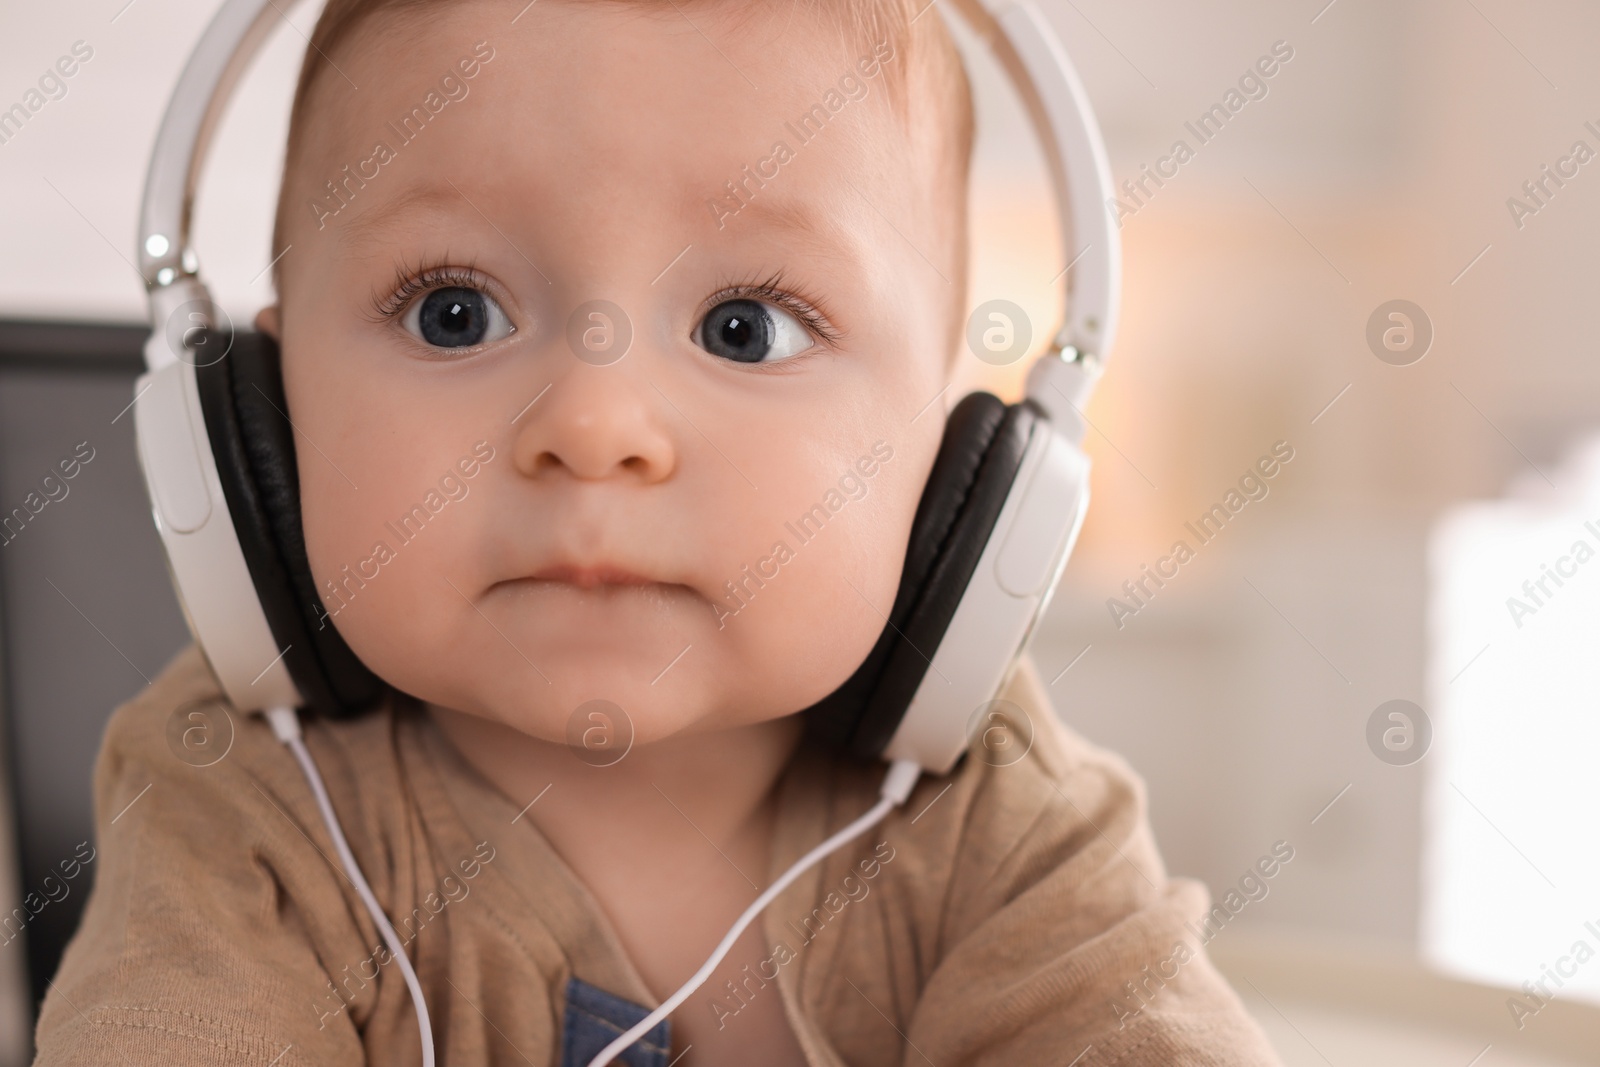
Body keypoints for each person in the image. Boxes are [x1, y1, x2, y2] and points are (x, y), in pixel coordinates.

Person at [34, 1, 1283, 1063]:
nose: (594, 423)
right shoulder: (241, 801)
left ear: (954, 456)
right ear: (262, 406)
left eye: (749, 325)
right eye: (453, 312)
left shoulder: (998, 816)